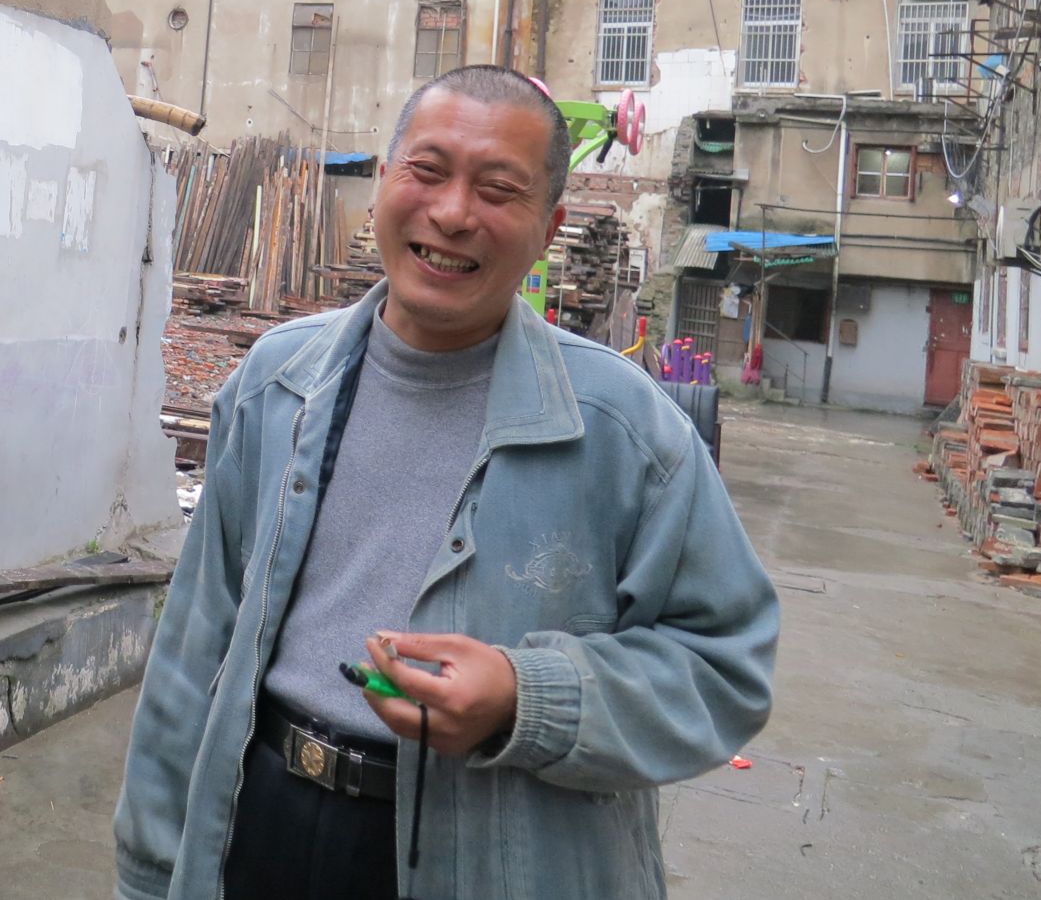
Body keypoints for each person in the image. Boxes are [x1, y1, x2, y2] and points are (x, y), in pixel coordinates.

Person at [114, 65, 778, 900]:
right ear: (383, 183)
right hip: (262, 822)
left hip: (498, 858)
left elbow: (723, 669)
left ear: (549, 228)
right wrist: (150, 868)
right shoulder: (277, 383)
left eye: (498, 190)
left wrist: (524, 699)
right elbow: (195, 642)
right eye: (427, 172)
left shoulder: (625, 431)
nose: (454, 213)